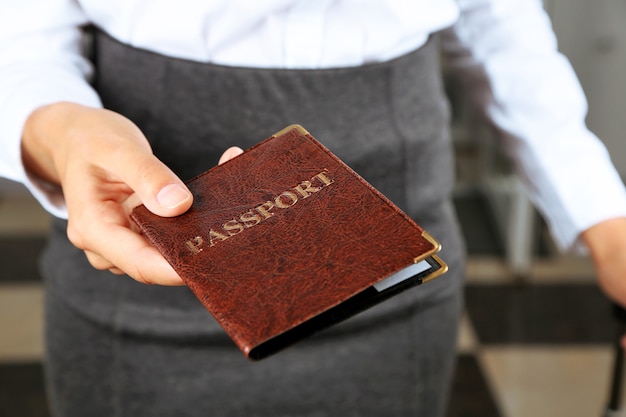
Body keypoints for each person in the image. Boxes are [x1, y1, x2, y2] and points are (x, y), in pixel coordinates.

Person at [1, 1, 626, 416]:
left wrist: (605, 217)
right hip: (148, 238)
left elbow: (500, 25)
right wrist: (60, 132)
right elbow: (22, 35)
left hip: (391, 255)